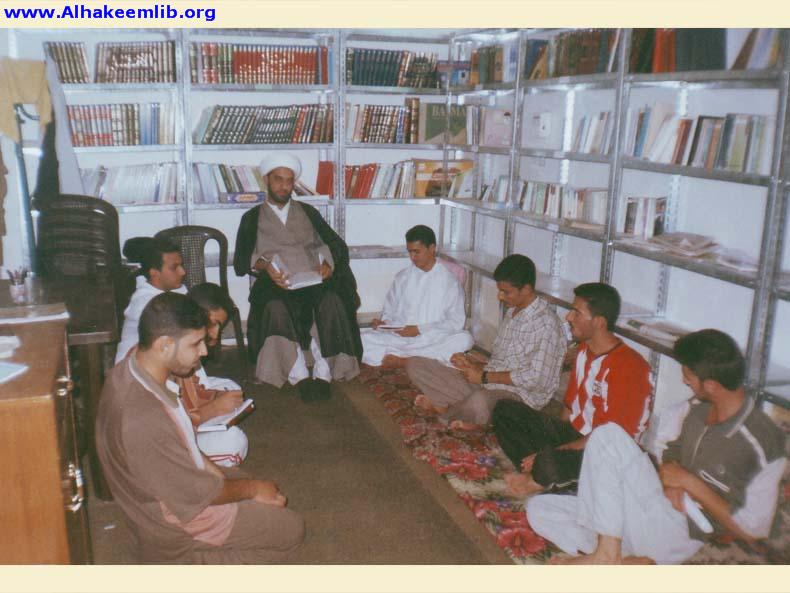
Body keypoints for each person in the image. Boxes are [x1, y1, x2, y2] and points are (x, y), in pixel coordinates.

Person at [528, 329, 787, 565]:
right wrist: (672, 480)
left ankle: (606, 554)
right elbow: (670, 449)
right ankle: (624, 558)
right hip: (654, 512)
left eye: (689, 377)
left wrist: (689, 483)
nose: (685, 381)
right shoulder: (698, 408)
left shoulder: (763, 442)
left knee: (608, 436)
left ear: (711, 385)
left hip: (682, 532)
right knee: (539, 509)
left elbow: (754, 531)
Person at [96, 292, 304, 563]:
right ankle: (183, 563)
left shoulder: (136, 365)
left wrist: (227, 479)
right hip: (175, 525)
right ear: (164, 345)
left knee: (249, 483)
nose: (205, 351)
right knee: (290, 529)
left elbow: (183, 444)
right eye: (195, 344)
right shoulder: (144, 417)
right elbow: (198, 495)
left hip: (172, 488)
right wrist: (251, 489)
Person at [492, 282, 652, 498]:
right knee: (505, 410)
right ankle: (544, 475)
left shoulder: (630, 367)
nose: (568, 317)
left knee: (549, 461)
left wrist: (554, 452)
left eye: (577, 313)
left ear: (599, 322)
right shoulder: (584, 350)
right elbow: (568, 410)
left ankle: (545, 476)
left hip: (608, 453)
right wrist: (550, 441)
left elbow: (611, 438)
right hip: (577, 437)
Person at [233, 153, 362, 402]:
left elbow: (335, 245)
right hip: (276, 282)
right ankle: (299, 374)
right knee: (275, 307)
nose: (284, 186)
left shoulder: (308, 211)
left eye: (289, 180)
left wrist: (328, 263)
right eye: (278, 179)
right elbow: (241, 261)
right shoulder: (251, 217)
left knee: (331, 300)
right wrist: (265, 265)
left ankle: (324, 373)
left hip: (312, 278)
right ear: (266, 180)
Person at [406, 254, 566, 429]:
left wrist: (484, 376)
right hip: (489, 384)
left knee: (480, 401)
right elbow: (500, 361)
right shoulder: (513, 312)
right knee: (416, 363)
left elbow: (536, 379)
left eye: (506, 292)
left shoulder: (546, 324)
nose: (500, 296)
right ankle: (465, 412)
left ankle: (451, 410)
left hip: (519, 399)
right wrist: (472, 364)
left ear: (526, 289)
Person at [361, 225, 473, 368]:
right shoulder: (402, 277)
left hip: (431, 339)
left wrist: (420, 329)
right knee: (362, 339)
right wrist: (384, 324)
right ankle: (422, 359)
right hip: (399, 339)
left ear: (432, 248)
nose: (412, 257)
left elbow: (455, 322)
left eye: (417, 252)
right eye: (410, 252)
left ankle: (402, 359)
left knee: (465, 340)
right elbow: (389, 310)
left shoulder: (449, 282)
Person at [170, 283, 249, 468]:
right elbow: (169, 428)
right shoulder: (172, 353)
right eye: (213, 324)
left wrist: (217, 397)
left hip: (186, 420)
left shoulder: (182, 338)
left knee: (231, 389)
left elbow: (194, 389)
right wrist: (213, 409)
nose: (216, 334)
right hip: (166, 446)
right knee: (234, 442)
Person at [115, 237, 187, 363]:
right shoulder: (145, 302)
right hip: (134, 370)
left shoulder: (174, 288)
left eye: (181, 265)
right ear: (154, 273)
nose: (182, 272)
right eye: (174, 267)